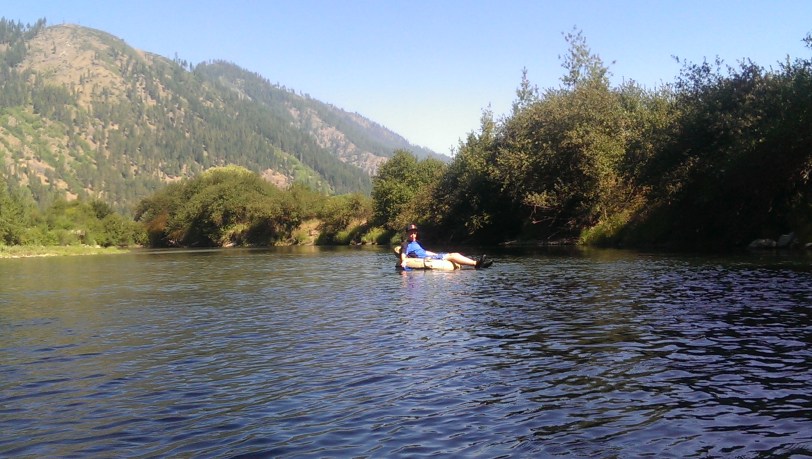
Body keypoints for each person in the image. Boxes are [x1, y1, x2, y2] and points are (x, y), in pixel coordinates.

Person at [400, 224, 493, 269]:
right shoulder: (406, 244)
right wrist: (404, 262)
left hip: (432, 256)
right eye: (411, 233)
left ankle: (478, 263)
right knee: (453, 255)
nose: (413, 235)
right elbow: (403, 254)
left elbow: (425, 251)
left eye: (414, 233)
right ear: (407, 234)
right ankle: (476, 264)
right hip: (427, 259)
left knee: (454, 254)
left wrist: (436, 254)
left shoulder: (418, 243)